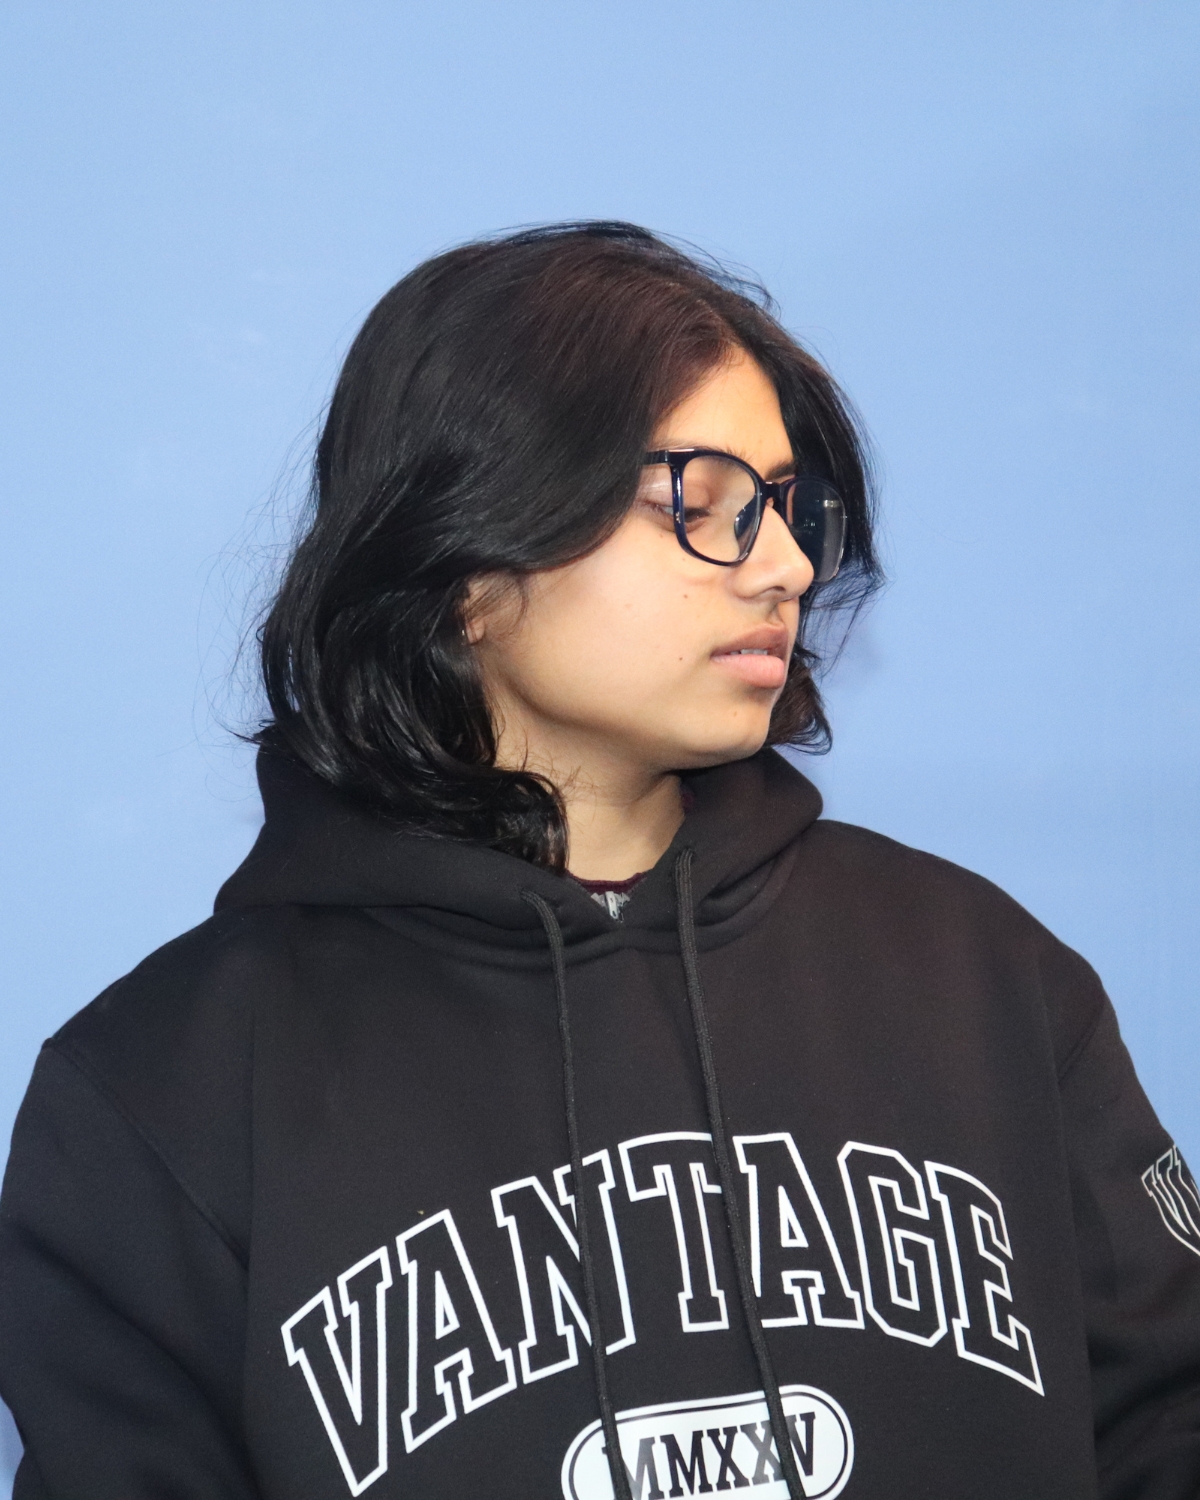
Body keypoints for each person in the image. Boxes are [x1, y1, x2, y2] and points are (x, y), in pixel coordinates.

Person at [0, 222, 1197, 1500]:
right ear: (469, 562)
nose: (788, 566)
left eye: (786, 507)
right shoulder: (159, 1092)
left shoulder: (986, 979)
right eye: (704, 504)